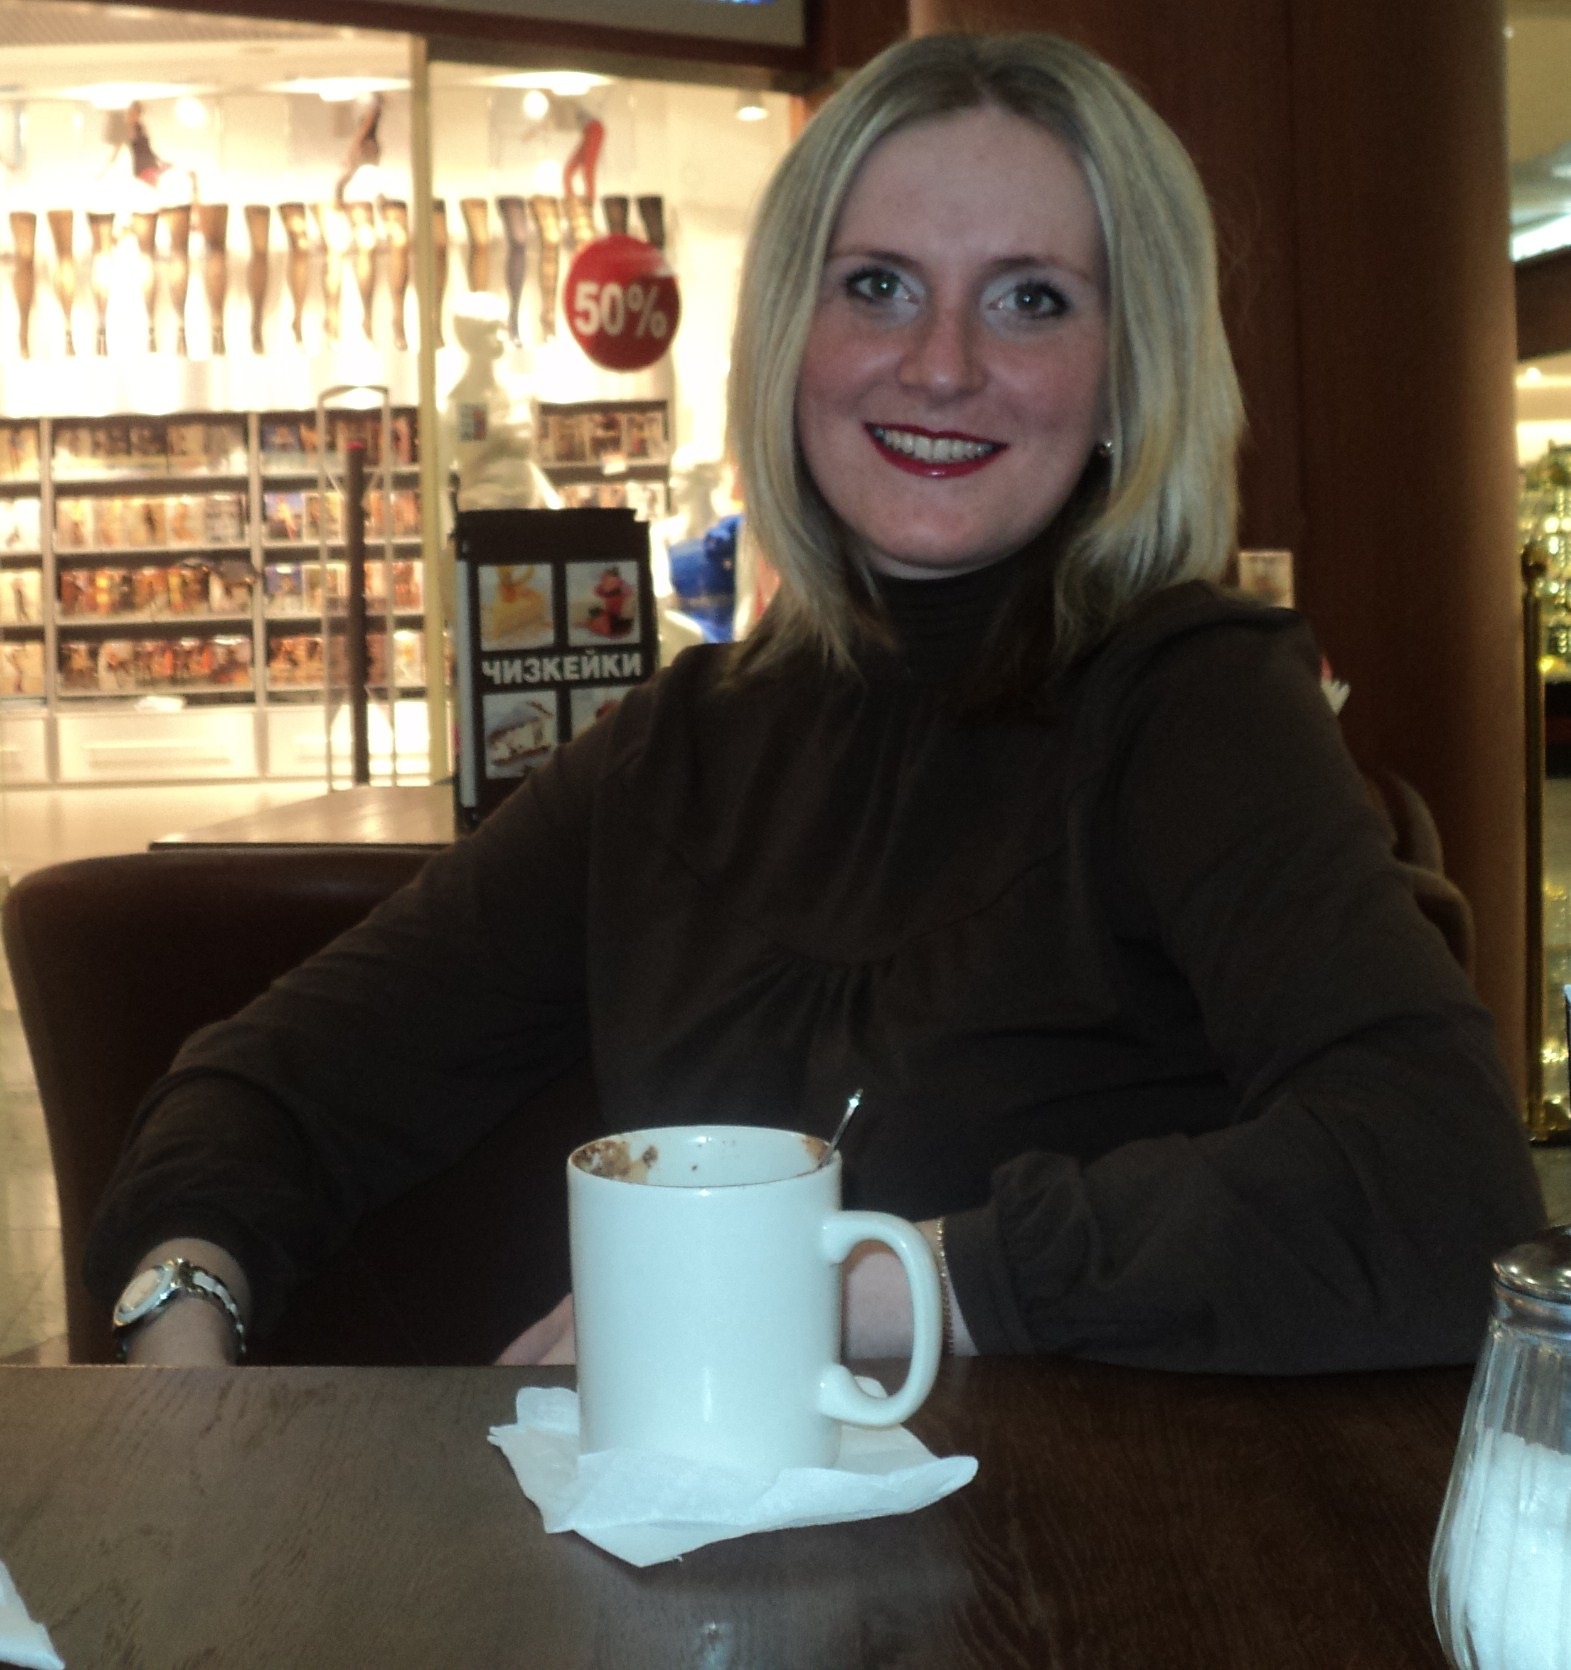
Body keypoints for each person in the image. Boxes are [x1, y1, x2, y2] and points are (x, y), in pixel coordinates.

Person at [87, 32, 1545, 1372]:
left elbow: (1441, 1182)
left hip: (1091, 1549)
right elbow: (278, 1084)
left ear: (1128, 376)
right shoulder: (683, 746)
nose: (942, 364)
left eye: (1031, 299)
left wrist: (865, 1282)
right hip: (707, 1552)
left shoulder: (1195, 701)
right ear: (791, 335)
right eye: (878, 286)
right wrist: (182, 1317)